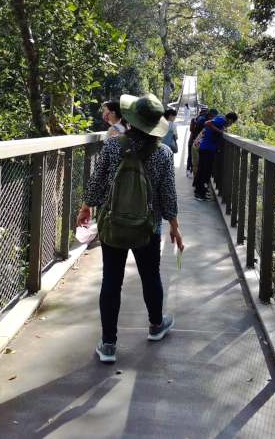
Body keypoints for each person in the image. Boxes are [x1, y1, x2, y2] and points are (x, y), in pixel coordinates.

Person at [77, 94, 184, 364]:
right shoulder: (163, 153)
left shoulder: (113, 147)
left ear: (131, 120)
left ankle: (109, 344)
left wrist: (87, 206)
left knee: (111, 281)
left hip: (113, 225)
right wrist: (174, 225)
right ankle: (156, 325)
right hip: (147, 228)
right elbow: (167, 194)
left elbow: (98, 182)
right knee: (151, 276)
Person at [194, 111, 238, 201]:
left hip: (207, 149)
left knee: (204, 171)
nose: (231, 124)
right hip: (207, 149)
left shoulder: (220, 120)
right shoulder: (221, 120)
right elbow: (207, 123)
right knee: (204, 171)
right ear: (230, 120)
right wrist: (220, 131)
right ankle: (199, 193)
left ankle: (201, 191)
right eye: (232, 122)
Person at [186, 107, 211, 177]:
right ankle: (196, 174)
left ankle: (189, 171)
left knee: (190, 156)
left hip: (191, 140)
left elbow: (191, 130)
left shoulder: (194, 119)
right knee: (197, 159)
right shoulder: (204, 121)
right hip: (198, 142)